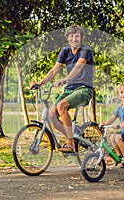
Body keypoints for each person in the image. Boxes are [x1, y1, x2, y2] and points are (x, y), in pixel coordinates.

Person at [29, 25, 94, 153]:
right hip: (69, 90)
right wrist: (40, 83)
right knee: (52, 114)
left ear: (81, 38)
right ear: (68, 38)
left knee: (62, 105)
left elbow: (79, 66)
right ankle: (74, 138)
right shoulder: (65, 51)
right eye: (71, 36)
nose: (74, 39)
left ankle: (70, 143)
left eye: (77, 36)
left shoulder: (85, 50)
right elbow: (53, 70)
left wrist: (65, 79)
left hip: (84, 89)